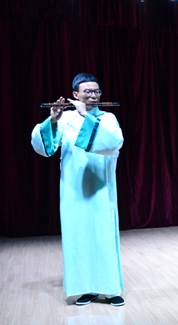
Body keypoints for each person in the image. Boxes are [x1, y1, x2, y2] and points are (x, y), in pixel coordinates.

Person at [31, 73, 125, 306]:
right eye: (87, 92)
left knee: (103, 236)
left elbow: (113, 142)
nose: (93, 96)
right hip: (73, 190)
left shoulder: (108, 118)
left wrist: (86, 116)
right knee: (79, 237)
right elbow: (45, 147)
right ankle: (86, 288)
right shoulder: (65, 119)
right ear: (75, 94)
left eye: (96, 91)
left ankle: (110, 290)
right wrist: (53, 120)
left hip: (100, 188)